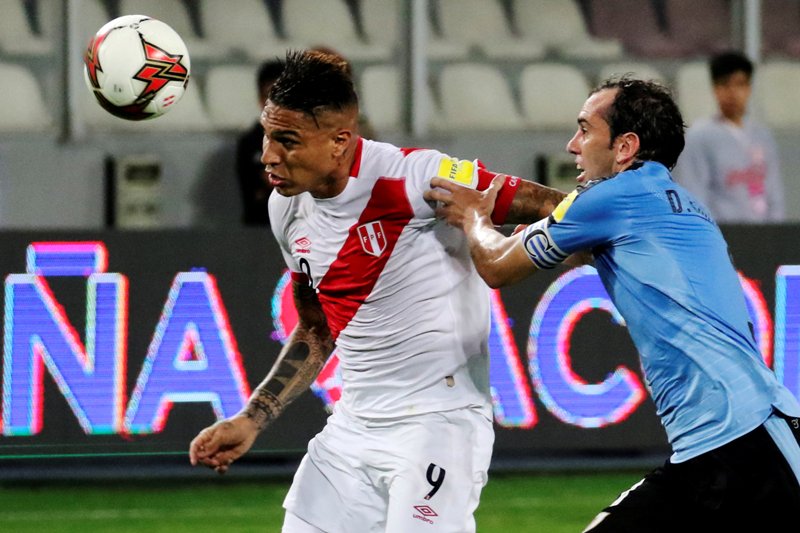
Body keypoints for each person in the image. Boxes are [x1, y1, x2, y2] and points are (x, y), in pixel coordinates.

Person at [188, 49, 563, 532]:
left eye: (287, 141)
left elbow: (560, 209)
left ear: (340, 141)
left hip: (438, 423)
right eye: (267, 135)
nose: (267, 156)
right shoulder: (287, 208)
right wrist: (252, 418)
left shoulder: (418, 176)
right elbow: (317, 327)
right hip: (353, 425)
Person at [424, 77, 800, 531]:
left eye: (585, 130)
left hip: (740, 448)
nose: (572, 145)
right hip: (742, 440)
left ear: (625, 147)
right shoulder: (675, 203)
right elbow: (575, 233)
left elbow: (497, 266)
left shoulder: (614, 197)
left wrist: (473, 217)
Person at [672, 50, 786, 223]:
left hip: (764, 237)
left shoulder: (762, 136)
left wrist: (777, 235)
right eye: (725, 84)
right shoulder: (700, 136)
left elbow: (774, 193)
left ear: (749, 88)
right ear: (715, 88)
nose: (733, 92)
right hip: (723, 235)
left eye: (739, 84)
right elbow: (694, 193)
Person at [234, 59, 283, 225]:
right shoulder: (250, 142)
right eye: (271, 94)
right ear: (261, 100)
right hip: (259, 233)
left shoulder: (309, 139)